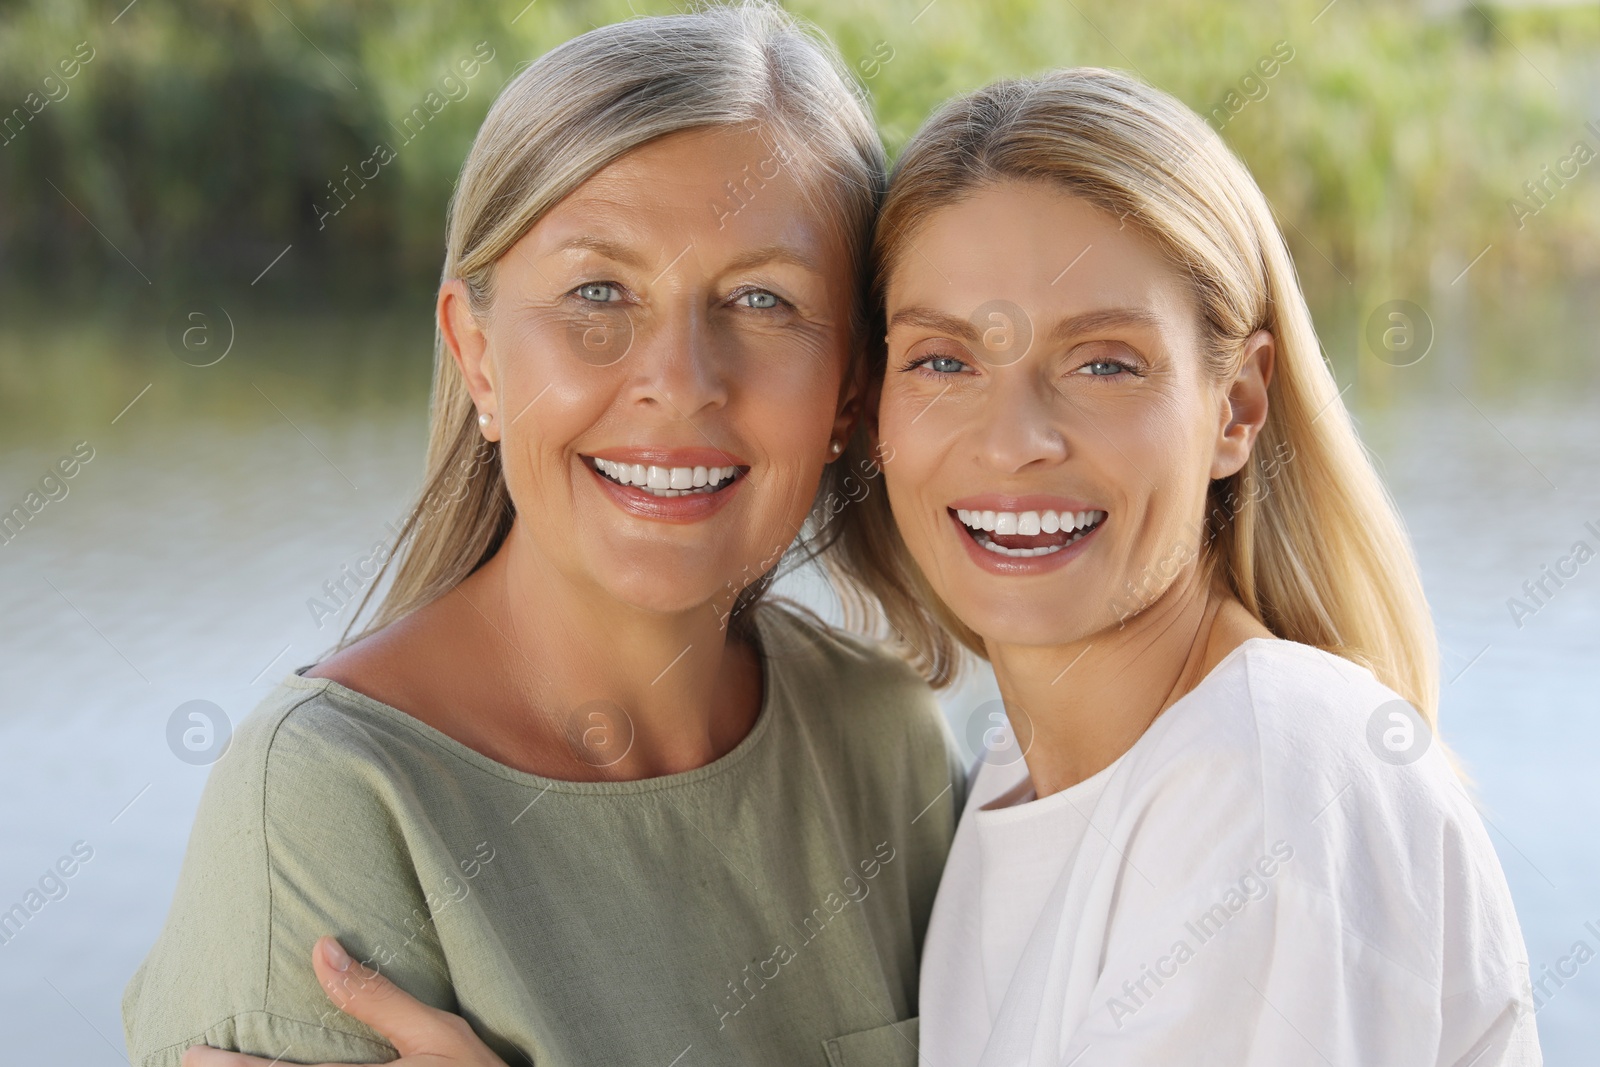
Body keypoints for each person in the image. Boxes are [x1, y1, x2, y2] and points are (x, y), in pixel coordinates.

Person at [122, 6, 965, 1066]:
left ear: (848, 386)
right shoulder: (326, 801)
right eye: (598, 292)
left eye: (760, 298)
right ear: (477, 357)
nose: (679, 382)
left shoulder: (883, 739)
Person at [840, 67, 1540, 1065]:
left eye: (1104, 362)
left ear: (1236, 407)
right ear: (873, 411)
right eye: (944, 360)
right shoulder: (1018, 779)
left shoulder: (1268, 770)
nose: (1013, 441)